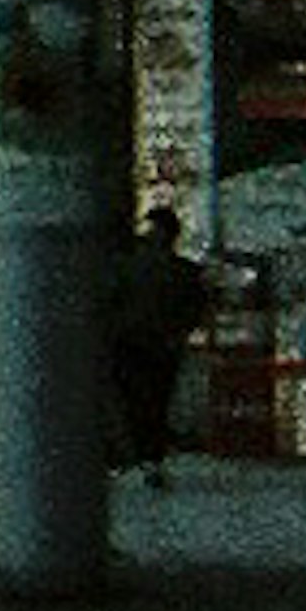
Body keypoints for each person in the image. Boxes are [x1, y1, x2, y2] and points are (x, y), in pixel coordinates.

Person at [109, 203, 212, 473]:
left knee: (134, 401)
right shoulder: (185, 272)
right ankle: (150, 455)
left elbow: (110, 300)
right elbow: (197, 309)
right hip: (160, 345)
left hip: (130, 342)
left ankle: (137, 454)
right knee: (155, 401)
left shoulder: (127, 267)